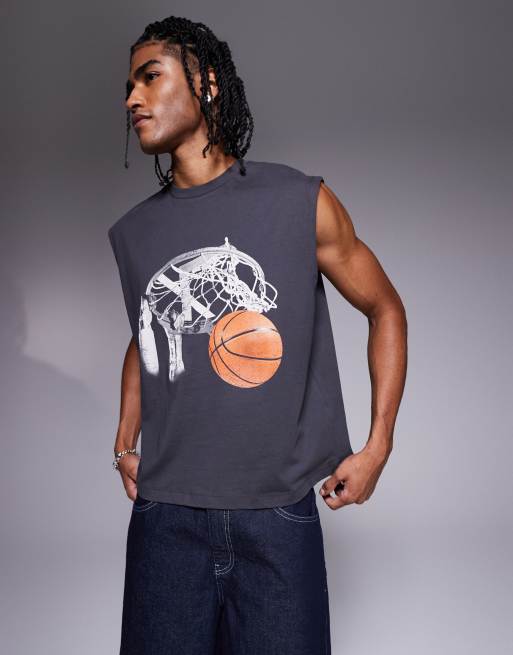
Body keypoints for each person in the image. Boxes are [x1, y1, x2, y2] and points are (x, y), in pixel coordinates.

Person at [108, 15, 407, 655]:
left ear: (207, 83)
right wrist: (124, 439)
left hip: (278, 516)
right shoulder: (133, 233)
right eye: (128, 85)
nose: (132, 97)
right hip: (166, 521)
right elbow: (145, 331)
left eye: (150, 77)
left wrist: (378, 444)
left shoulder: (300, 200)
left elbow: (385, 307)